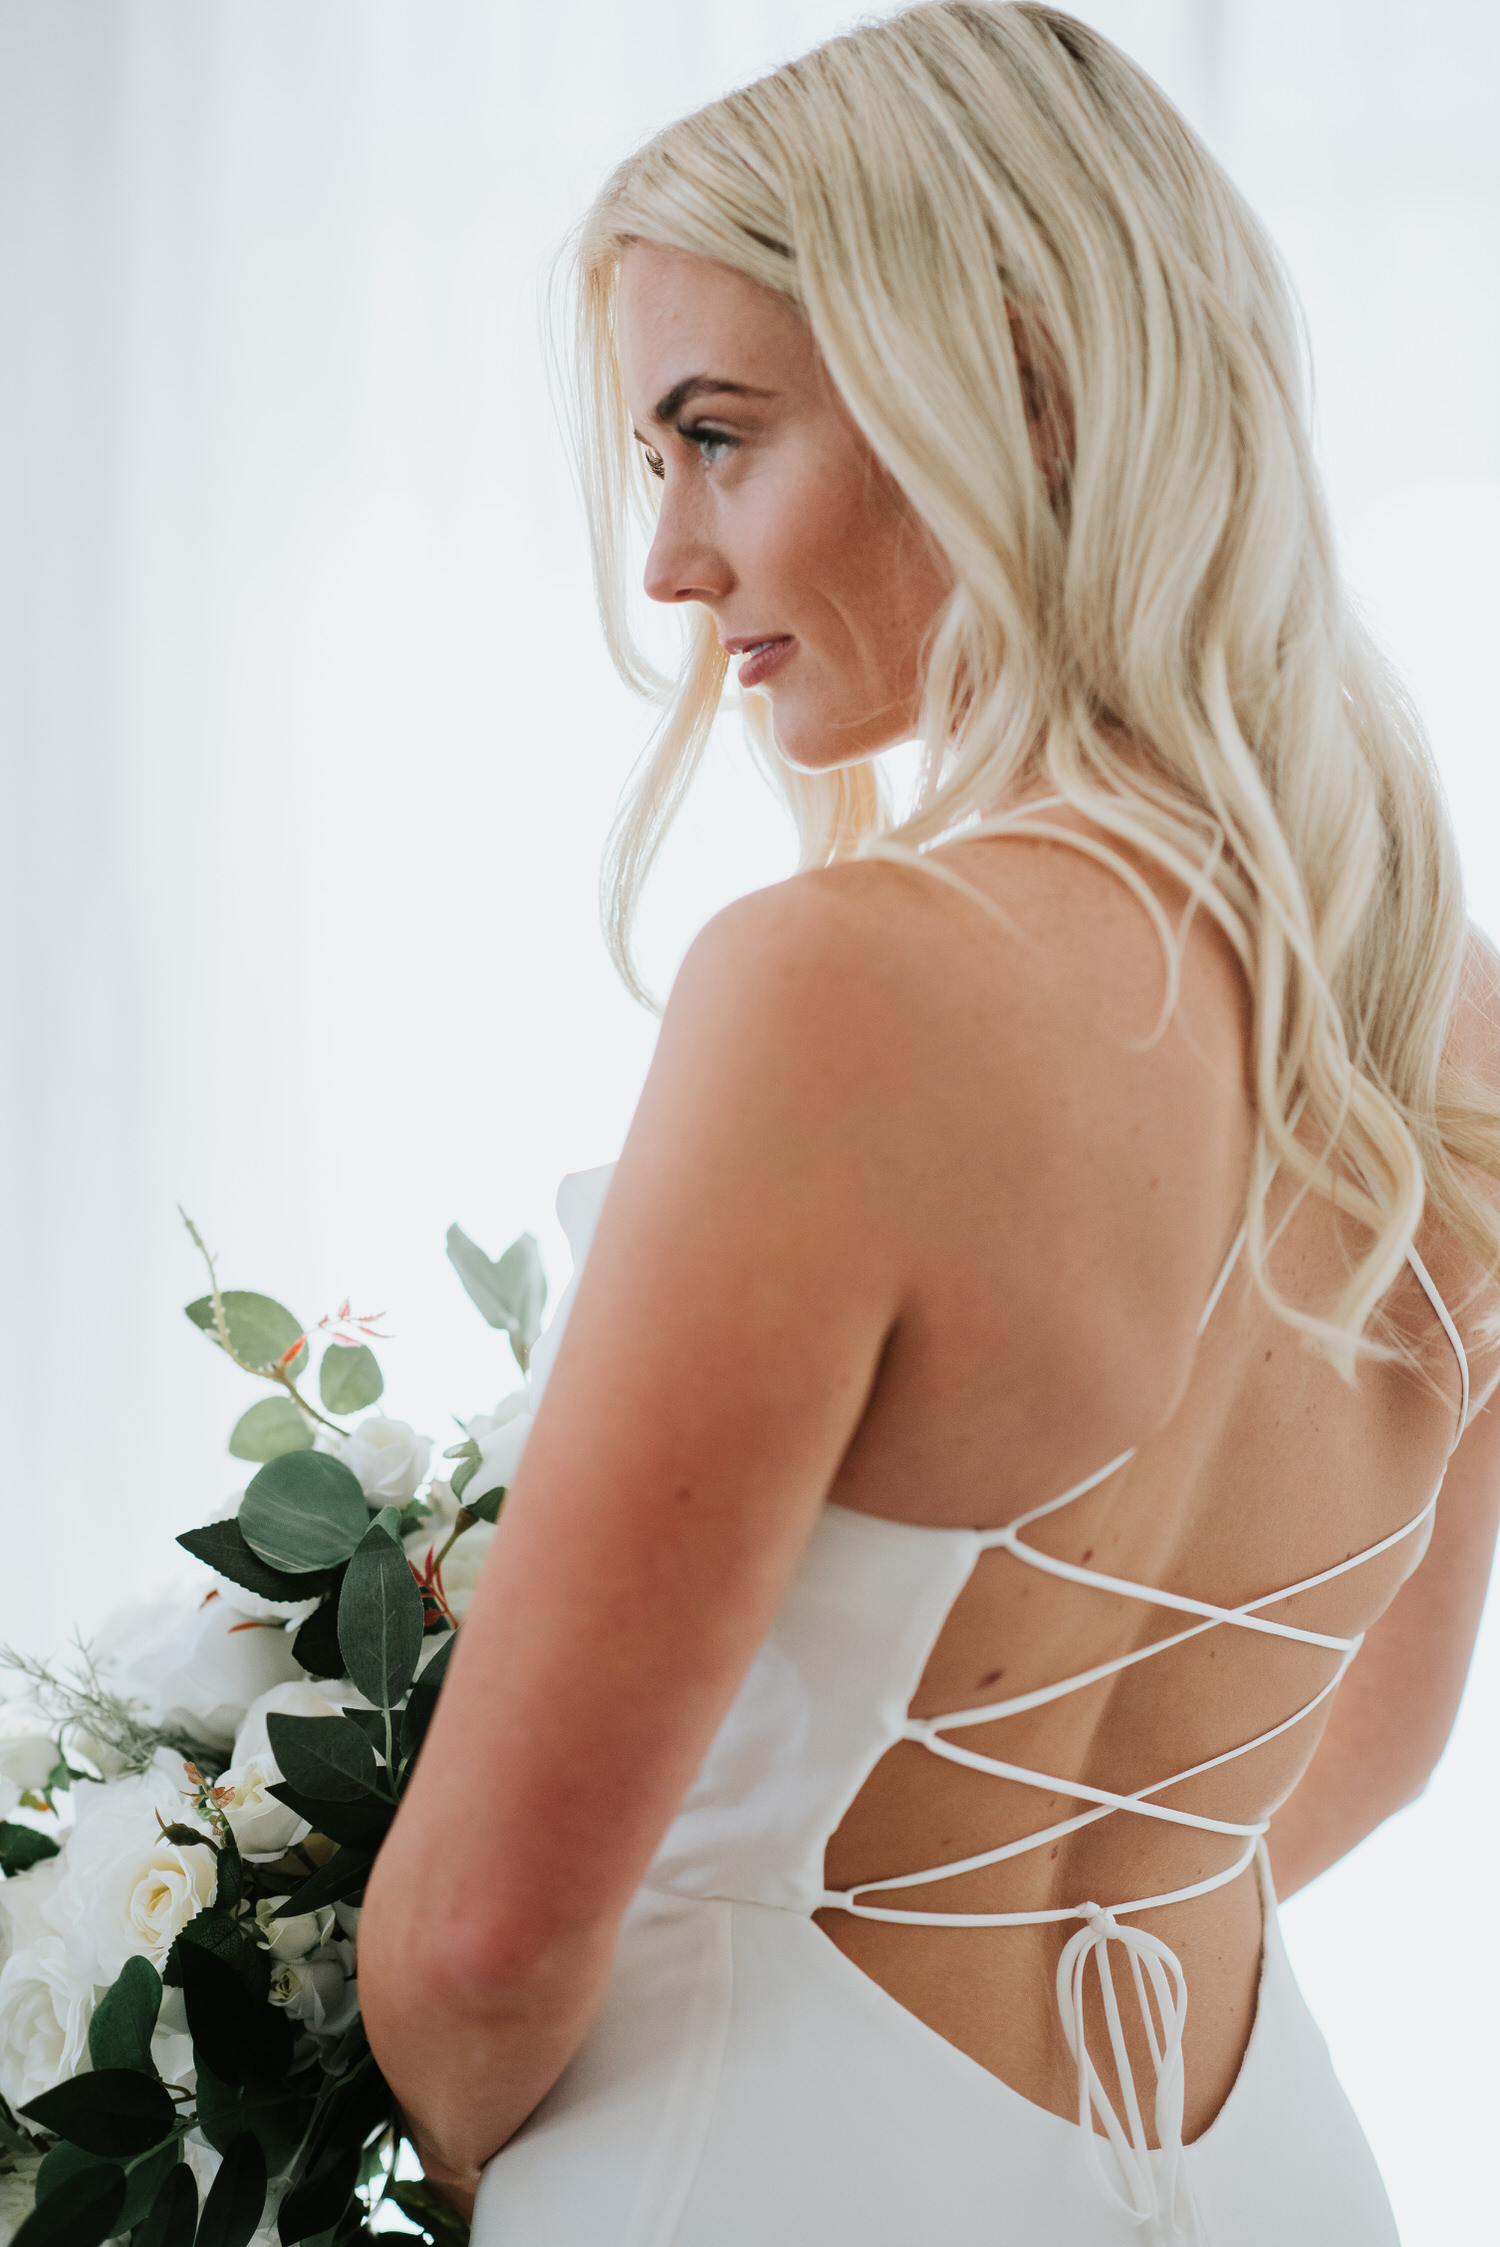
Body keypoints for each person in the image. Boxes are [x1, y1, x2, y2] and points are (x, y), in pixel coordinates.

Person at [356, 6, 1500, 2238]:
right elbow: (1369, 1753)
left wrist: (525, 2161)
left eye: (717, 437)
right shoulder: (1456, 1021)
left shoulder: (843, 985)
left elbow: (480, 1942)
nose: (671, 561)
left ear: (1018, 390)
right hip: (1268, 2165)